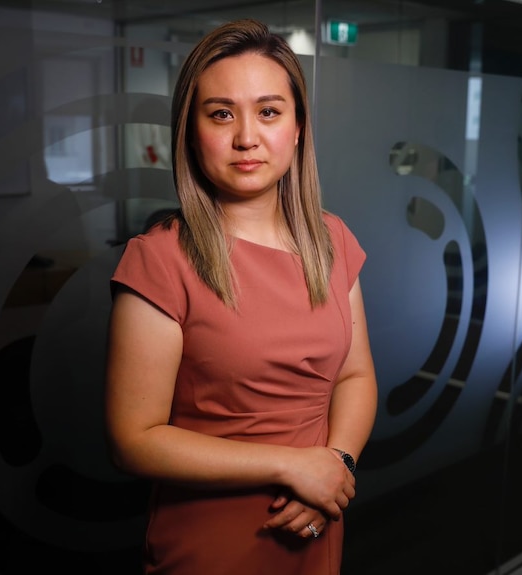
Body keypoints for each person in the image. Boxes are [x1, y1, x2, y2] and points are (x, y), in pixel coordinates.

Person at [105, 19, 377, 575]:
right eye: (222, 113)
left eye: (270, 111)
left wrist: (336, 466)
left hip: (316, 518)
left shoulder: (333, 240)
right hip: (214, 543)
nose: (246, 136)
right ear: (191, 130)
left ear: (298, 127)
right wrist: (296, 468)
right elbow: (134, 440)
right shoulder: (159, 260)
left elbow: (356, 377)